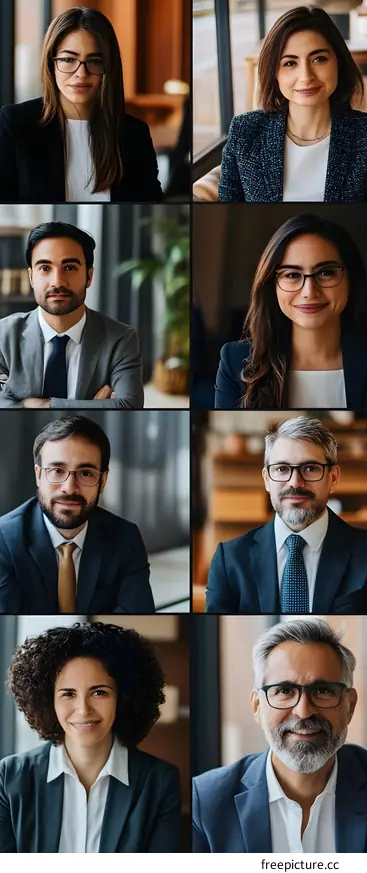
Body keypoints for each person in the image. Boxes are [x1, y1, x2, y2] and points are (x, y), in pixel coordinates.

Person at [192, 617, 367, 852]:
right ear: (257, 707)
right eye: (285, 690)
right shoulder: (206, 801)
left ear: (350, 706)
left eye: (322, 691)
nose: (303, 711)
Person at [0, 622, 181, 852]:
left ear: (122, 697)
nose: (83, 709)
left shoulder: (159, 782)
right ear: (47, 700)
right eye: (68, 694)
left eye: (99, 692)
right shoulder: (9, 778)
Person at [205, 416, 367, 614]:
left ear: (333, 478)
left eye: (310, 468)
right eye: (282, 469)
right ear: (267, 480)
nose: (295, 482)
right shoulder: (229, 559)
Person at [213, 213, 367, 409]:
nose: (309, 292)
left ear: (351, 279)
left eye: (326, 273)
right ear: (271, 285)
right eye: (292, 275)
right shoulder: (235, 362)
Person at [217, 5, 367, 203]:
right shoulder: (245, 131)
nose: (306, 77)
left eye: (319, 59)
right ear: (274, 73)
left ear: (338, 62)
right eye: (289, 63)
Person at [0, 7, 162, 202]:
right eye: (68, 59)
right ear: (51, 64)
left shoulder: (134, 133)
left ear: (108, 67)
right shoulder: (16, 123)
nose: (81, 73)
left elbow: (150, 200)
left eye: (94, 61)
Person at [0, 415, 155, 614]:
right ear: (38, 475)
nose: (69, 488)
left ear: (103, 480)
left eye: (85, 473)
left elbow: (137, 615)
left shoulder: (126, 537)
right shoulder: (4, 539)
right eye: (57, 470)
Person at [0, 222, 144, 409]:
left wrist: (40, 405)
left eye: (69, 268)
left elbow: (128, 405)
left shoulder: (120, 339)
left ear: (89, 276)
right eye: (45, 268)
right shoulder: (3, 335)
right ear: (31, 278)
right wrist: (88, 406)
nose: (57, 281)